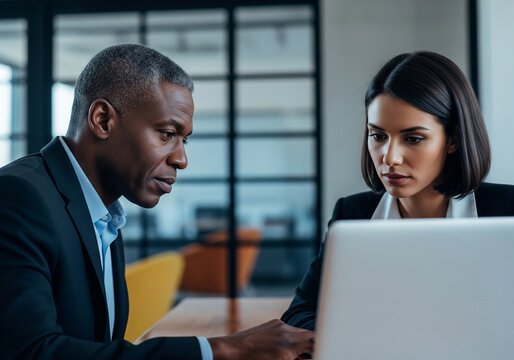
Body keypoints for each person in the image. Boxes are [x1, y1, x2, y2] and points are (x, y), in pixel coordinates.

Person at [0, 44, 313, 360]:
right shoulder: (18, 197)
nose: (181, 159)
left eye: (184, 139)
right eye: (166, 134)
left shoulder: (104, 214)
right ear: (103, 119)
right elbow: (31, 352)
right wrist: (223, 349)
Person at [281, 51, 514, 330]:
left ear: (452, 139)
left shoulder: (506, 210)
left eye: (413, 138)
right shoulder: (353, 214)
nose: (389, 158)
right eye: (378, 136)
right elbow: (299, 313)